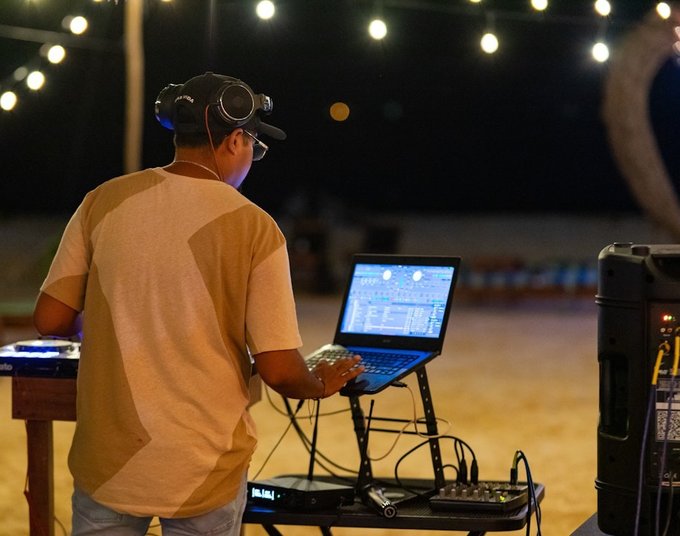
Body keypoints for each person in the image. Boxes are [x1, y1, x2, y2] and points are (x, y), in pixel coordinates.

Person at [32, 72, 363, 536]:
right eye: (253, 145)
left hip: (107, 462)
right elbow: (279, 369)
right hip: (203, 467)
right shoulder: (255, 226)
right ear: (233, 140)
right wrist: (320, 383)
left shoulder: (102, 202)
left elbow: (50, 318)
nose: (251, 157)